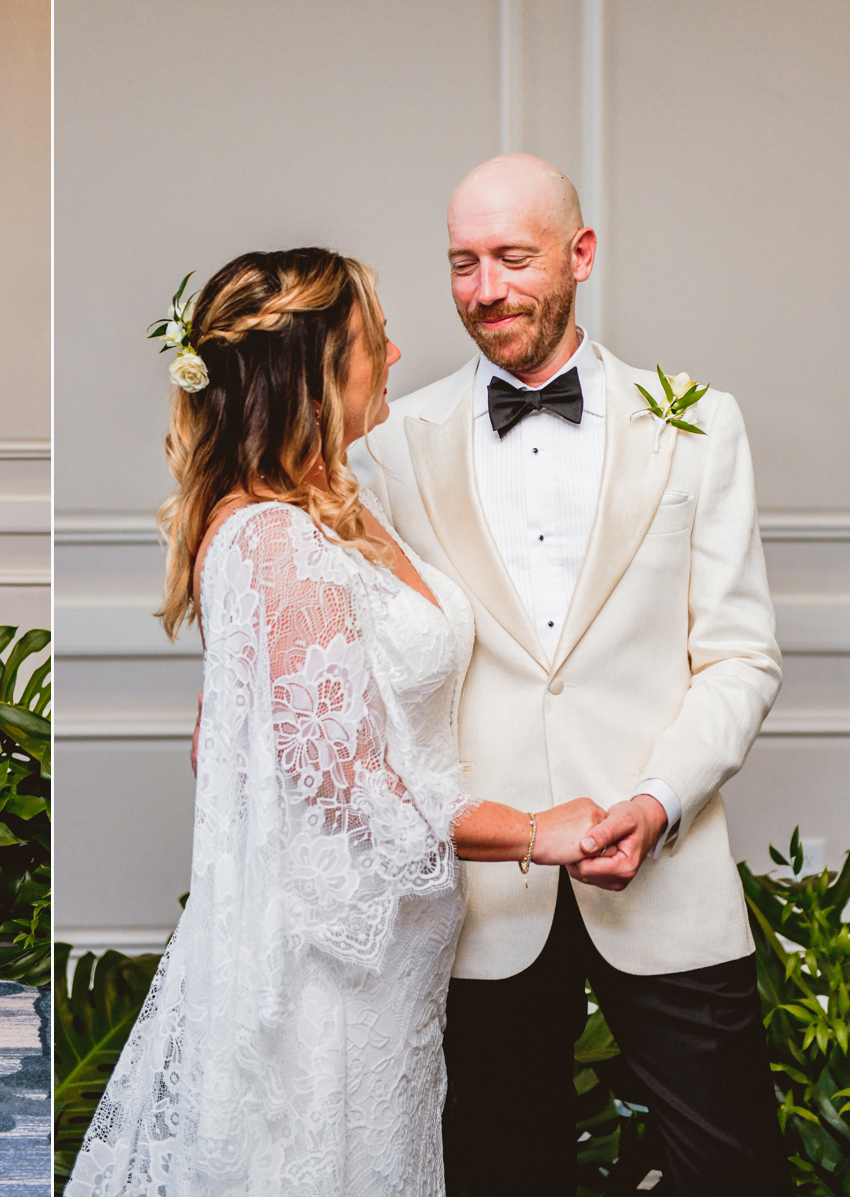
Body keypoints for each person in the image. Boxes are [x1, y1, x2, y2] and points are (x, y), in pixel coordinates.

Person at [67, 247, 613, 1195]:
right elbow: (349, 787)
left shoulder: (337, 509)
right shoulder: (271, 538)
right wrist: (534, 830)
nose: (395, 354)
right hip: (329, 977)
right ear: (313, 375)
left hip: (393, 969)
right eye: (374, 341)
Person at [356, 153, 786, 1195]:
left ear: (580, 254)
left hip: (666, 872)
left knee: (735, 1172)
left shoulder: (700, 422)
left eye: (513, 257)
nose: (485, 289)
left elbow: (738, 654)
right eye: (462, 263)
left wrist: (657, 800)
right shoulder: (388, 445)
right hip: (481, 895)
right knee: (498, 1173)